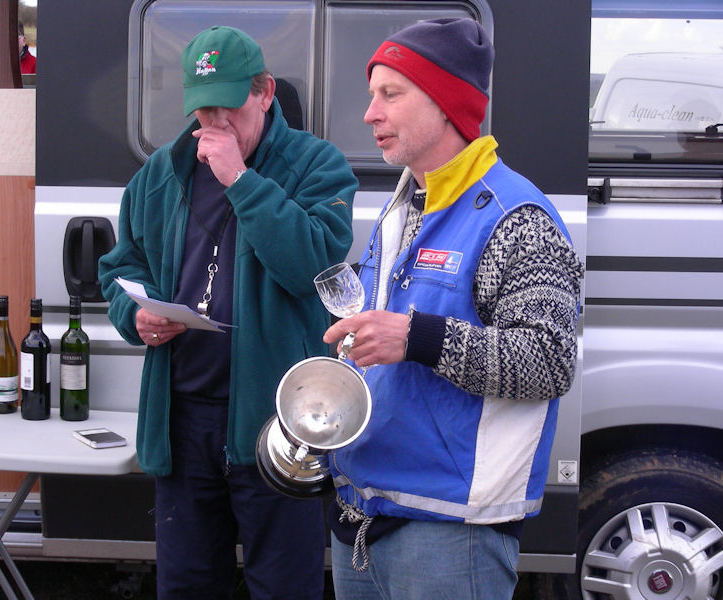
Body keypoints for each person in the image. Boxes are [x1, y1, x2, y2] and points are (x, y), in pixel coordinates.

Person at [322, 18, 584, 600]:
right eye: (372, 95)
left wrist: (416, 337)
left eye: (391, 94)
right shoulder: (402, 205)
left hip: (449, 533)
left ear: (445, 103)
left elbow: (549, 359)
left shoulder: (516, 217)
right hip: (361, 512)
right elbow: (381, 349)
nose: (370, 114)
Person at [98, 25, 358, 599]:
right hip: (183, 419)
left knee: (284, 587)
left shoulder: (319, 166)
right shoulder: (160, 175)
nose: (214, 125)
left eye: (229, 107)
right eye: (203, 110)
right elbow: (121, 265)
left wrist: (239, 179)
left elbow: (311, 263)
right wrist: (133, 313)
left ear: (265, 91)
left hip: (278, 422)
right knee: (187, 586)